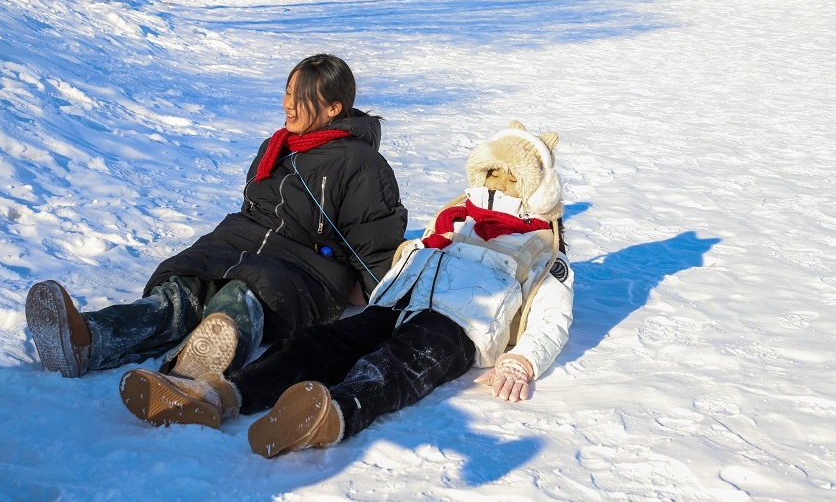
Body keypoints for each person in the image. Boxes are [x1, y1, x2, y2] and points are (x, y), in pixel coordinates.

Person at [118, 121, 574, 456]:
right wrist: (377, 286)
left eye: (511, 177)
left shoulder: (540, 245)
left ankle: (328, 415)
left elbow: (553, 313)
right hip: (397, 304)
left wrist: (523, 360)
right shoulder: (455, 221)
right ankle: (221, 394)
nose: (499, 183)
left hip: (461, 326)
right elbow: (407, 260)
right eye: (493, 172)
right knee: (319, 343)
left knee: (395, 365)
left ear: (536, 190)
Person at [25, 53, 408, 381]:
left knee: (240, 296)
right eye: (288, 91)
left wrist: (376, 291)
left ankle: (193, 371)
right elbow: (255, 208)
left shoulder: (361, 163)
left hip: (306, 269)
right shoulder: (276, 146)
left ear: (334, 108)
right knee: (182, 290)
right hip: (242, 243)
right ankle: (89, 339)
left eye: (302, 96)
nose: (289, 104)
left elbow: (375, 237)